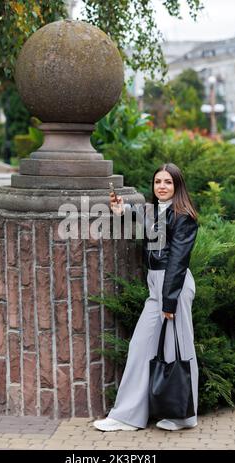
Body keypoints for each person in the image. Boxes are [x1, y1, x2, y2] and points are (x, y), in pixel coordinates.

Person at [93, 163, 199, 432]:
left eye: (168, 182)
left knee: (179, 348)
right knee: (140, 347)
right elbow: (142, 216)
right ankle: (127, 415)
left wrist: (169, 300)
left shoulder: (184, 216)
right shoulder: (156, 212)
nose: (161, 186)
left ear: (177, 186)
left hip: (173, 287)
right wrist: (121, 210)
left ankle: (183, 416)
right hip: (157, 287)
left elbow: (178, 261)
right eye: (157, 182)